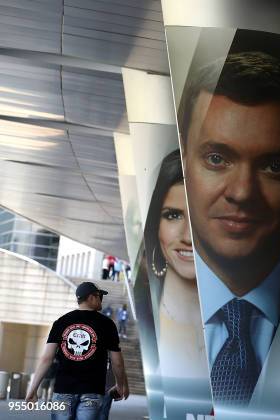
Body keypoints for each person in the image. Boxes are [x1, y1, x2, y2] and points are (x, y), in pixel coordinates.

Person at [177, 47, 280, 413]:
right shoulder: (158, 306)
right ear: (182, 166)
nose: (242, 192)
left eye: (272, 166)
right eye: (216, 159)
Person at [143, 149, 210, 418]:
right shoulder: (147, 310)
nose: (187, 236)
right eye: (172, 215)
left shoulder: (242, 318)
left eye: (199, 217)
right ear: (155, 224)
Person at [26, 281, 129, 420]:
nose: (101, 300)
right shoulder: (107, 324)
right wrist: (120, 385)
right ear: (92, 297)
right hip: (92, 392)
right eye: (100, 296)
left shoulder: (61, 322)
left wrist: (33, 389)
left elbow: (46, 358)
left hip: (63, 390)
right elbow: (117, 362)